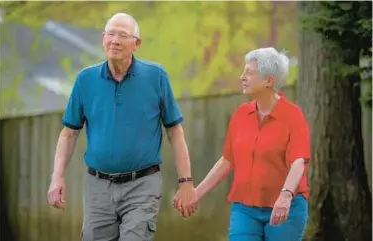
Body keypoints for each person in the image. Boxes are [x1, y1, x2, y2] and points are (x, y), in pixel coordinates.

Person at [47, 13, 197, 241]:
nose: (115, 40)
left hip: (142, 184)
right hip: (97, 187)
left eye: (123, 35)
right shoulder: (85, 80)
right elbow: (69, 133)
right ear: (103, 38)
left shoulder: (156, 76)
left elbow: (175, 132)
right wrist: (57, 177)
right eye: (111, 34)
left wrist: (186, 182)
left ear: (136, 44)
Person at [191, 47, 311, 241]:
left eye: (249, 72)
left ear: (269, 81)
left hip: (284, 208)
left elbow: (299, 161)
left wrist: (286, 196)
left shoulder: (293, 115)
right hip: (245, 209)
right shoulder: (240, 114)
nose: (242, 77)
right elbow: (227, 161)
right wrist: (197, 193)